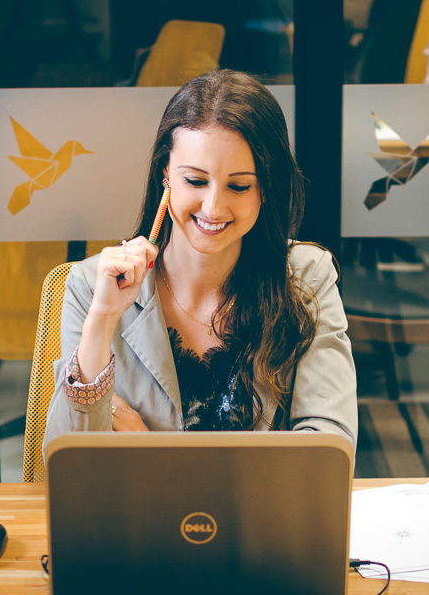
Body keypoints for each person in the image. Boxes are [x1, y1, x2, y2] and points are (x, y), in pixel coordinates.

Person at [43, 69, 357, 450]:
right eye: (195, 181)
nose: (213, 207)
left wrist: (155, 454)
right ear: (166, 173)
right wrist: (103, 320)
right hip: (140, 513)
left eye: (238, 186)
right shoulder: (92, 285)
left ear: (266, 187)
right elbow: (69, 465)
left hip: (259, 514)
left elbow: (327, 455)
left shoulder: (306, 278)